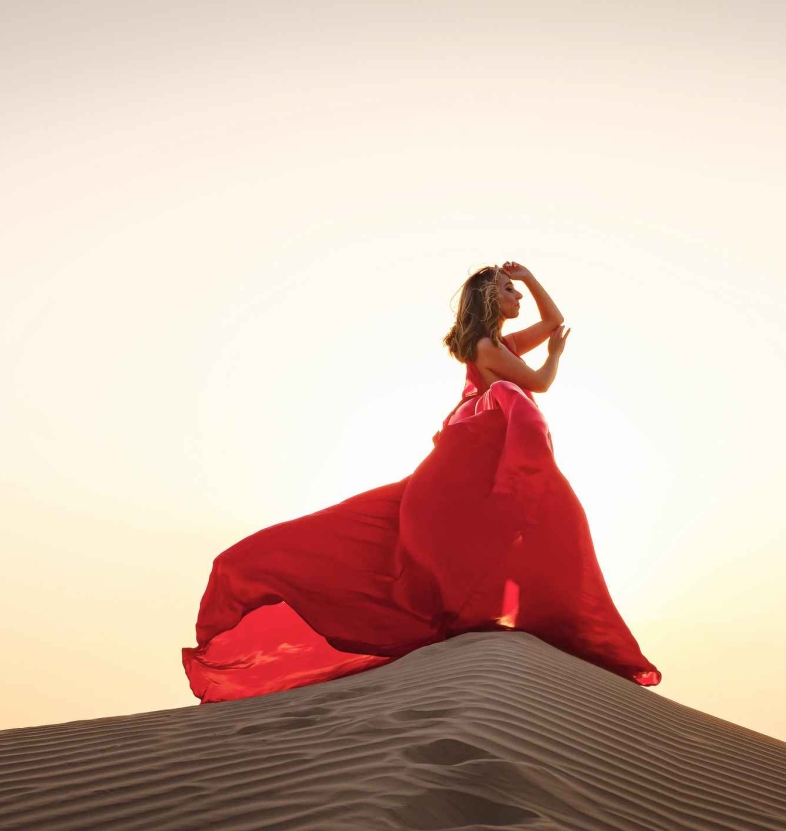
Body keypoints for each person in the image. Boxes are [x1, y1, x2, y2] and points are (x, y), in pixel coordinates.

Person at [180, 261, 661, 703]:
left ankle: (518, 619)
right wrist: (555, 355)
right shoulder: (488, 347)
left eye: (518, 290)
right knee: (403, 535)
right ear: (491, 301)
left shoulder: (502, 344)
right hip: (470, 463)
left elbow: (554, 320)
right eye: (509, 291)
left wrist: (532, 278)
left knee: (539, 522)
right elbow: (540, 383)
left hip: (487, 458)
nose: (518, 297)